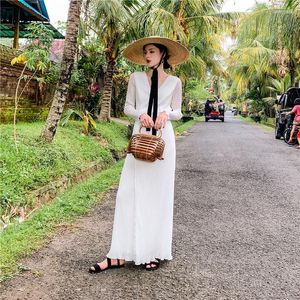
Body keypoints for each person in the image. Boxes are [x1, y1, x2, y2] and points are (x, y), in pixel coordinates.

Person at [89, 36, 189, 272]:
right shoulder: (135, 79)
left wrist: (166, 113)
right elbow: (127, 107)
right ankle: (118, 254)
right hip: (140, 136)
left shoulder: (175, 82)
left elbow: (178, 112)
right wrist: (140, 114)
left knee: (158, 195)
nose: (147, 56)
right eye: (145, 52)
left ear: (163, 54)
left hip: (163, 140)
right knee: (128, 193)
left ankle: (152, 250)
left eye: (152, 51)